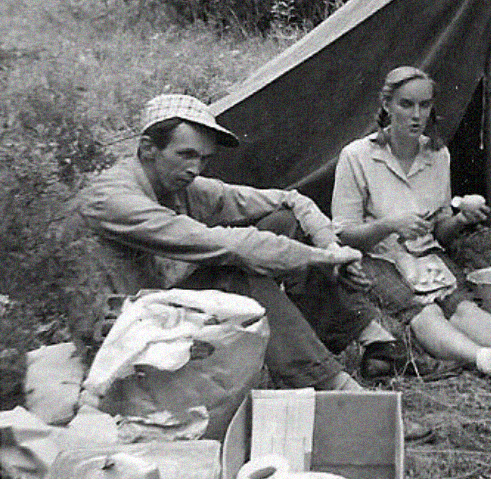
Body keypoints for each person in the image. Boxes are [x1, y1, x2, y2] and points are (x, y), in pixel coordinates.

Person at [78, 93, 402, 392]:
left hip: (161, 307)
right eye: (186, 155)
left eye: (204, 159)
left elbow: (290, 200)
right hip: (116, 331)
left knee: (283, 222)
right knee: (234, 273)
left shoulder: (182, 185)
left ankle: (362, 334)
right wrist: (318, 257)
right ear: (148, 148)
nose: (195, 168)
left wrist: (332, 247)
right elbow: (228, 246)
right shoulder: (113, 196)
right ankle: (332, 387)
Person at [331, 66, 491, 386]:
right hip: (378, 258)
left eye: (424, 106)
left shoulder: (437, 155)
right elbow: (343, 233)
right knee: (424, 312)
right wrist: (389, 225)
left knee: (461, 307)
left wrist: (460, 220)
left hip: (426, 256)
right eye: (406, 104)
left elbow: (439, 230)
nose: (416, 115)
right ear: (387, 106)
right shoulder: (356, 156)